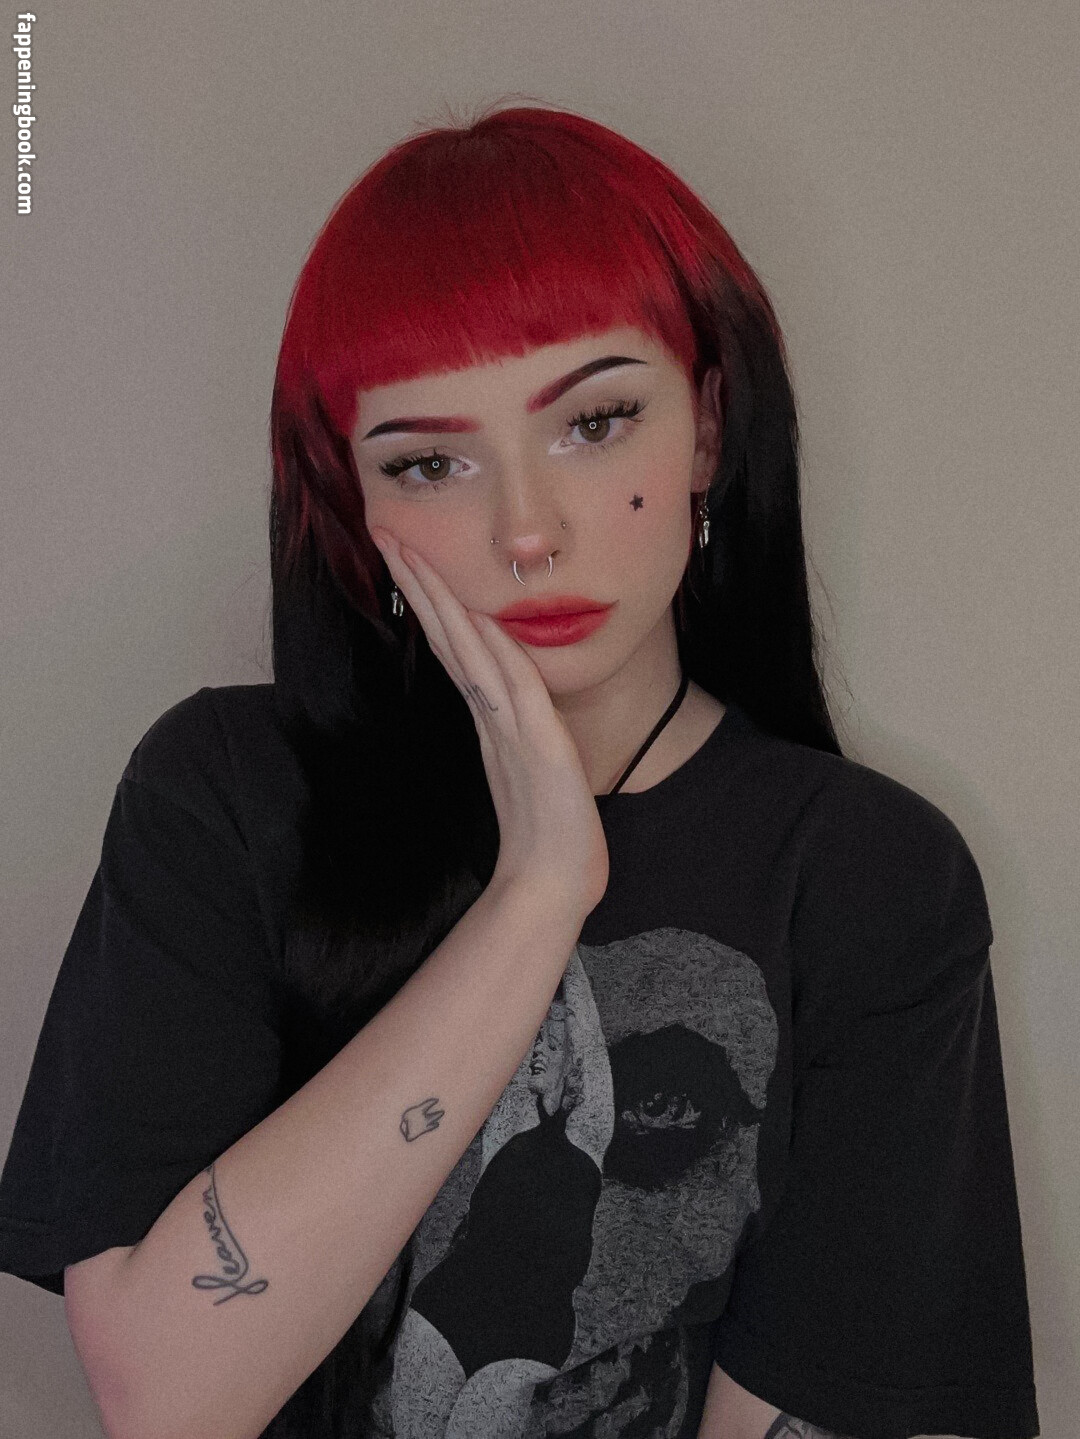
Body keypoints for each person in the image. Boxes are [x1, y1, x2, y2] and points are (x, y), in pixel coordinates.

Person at [0, 101, 1039, 1439]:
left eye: (594, 422)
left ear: (707, 428)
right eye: (431, 461)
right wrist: (539, 890)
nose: (526, 529)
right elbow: (166, 1397)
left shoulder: (867, 877)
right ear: (356, 506)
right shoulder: (224, 797)